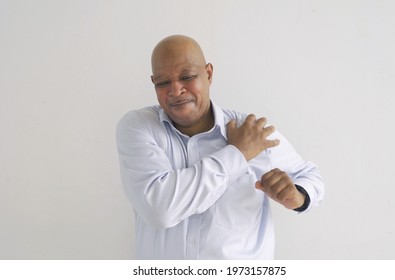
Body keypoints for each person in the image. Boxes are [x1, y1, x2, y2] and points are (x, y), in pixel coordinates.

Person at [116, 35, 325, 259]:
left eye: (187, 77)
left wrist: (298, 196)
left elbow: (311, 176)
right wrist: (238, 154)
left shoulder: (252, 131)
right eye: (162, 82)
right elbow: (159, 210)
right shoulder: (138, 127)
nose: (175, 90)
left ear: (208, 74)